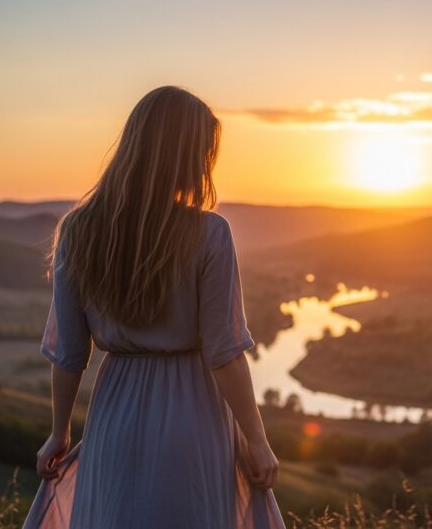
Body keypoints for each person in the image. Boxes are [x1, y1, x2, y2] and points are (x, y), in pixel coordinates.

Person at [22, 86, 285, 528]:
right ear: (185, 156)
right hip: (195, 416)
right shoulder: (210, 233)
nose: (206, 163)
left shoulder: (77, 231)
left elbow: (69, 354)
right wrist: (257, 441)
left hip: (114, 418)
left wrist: (59, 432)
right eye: (204, 151)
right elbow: (224, 352)